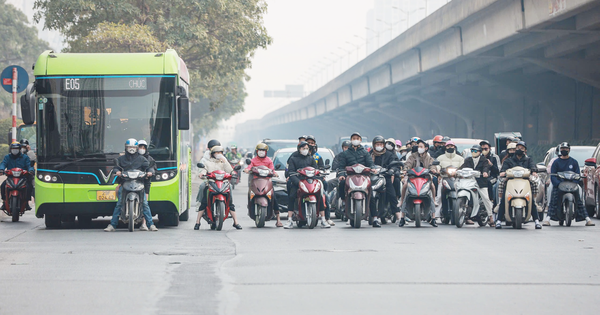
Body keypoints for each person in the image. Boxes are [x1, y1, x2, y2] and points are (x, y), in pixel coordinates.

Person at [104, 139, 157, 232]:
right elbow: (116, 168)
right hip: (125, 184)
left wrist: (150, 172)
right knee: (119, 203)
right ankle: (112, 225)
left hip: (139, 184)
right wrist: (117, 172)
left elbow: (149, 167)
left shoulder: (142, 159)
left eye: (133, 147)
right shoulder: (121, 159)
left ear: (136, 148)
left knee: (145, 204)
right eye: (129, 147)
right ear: (126, 147)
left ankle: (151, 224)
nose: (131, 149)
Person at [495, 141, 541, 229]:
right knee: (503, 193)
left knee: (533, 188)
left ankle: (536, 220)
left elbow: (533, 167)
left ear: (525, 150)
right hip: (511, 181)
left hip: (525, 181)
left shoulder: (528, 160)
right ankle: (499, 220)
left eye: (522, 148)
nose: (519, 149)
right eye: (518, 148)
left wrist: (534, 171)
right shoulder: (509, 160)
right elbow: (503, 169)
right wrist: (503, 173)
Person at [547, 142, 595, 226]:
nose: (564, 150)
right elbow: (553, 175)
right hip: (559, 184)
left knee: (579, 199)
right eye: (562, 149)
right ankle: (548, 219)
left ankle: (587, 219)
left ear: (569, 150)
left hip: (572, 184)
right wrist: (557, 184)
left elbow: (577, 175)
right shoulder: (556, 162)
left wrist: (575, 183)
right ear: (560, 150)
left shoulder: (574, 162)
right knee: (553, 198)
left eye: (566, 149)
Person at [195, 146, 242, 230]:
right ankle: (197, 222)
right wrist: (202, 173)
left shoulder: (223, 161)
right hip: (211, 183)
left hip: (223, 183)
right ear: (212, 154)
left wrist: (233, 172)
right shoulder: (207, 162)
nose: (218, 154)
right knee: (204, 202)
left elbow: (230, 170)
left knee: (230, 202)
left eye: (220, 153)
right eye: (216, 153)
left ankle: (236, 222)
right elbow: (203, 170)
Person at [284, 141, 330, 229]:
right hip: (298, 181)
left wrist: (320, 177)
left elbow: (316, 171)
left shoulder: (311, 159)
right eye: (303, 148)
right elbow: (291, 172)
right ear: (299, 149)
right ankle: (289, 220)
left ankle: (323, 219)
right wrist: (298, 182)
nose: (305, 150)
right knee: (292, 196)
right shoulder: (293, 159)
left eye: (306, 148)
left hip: (311, 182)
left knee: (320, 196)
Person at [335, 132, 376, 226]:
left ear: (360, 140)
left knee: (371, 194)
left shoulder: (365, 153)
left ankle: (374, 218)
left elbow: (370, 164)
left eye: (357, 138)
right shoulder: (345, 153)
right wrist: (341, 175)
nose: (356, 140)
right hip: (350, 176)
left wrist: (372, 168)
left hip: (364, 177)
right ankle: (344, 202)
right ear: (351, 140)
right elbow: (341, 167)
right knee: (341, 184)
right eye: (354, 138)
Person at [399, 138, 438, 227]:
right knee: (405, 186)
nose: (419, 148)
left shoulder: (429, 158)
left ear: (426, 148)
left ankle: (433, 217)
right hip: (412, 178)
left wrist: (433, 170)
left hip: (425, 178)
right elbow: (408, 164)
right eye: (418, 146)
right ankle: (402, 215)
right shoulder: (412, 156)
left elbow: (433, 166)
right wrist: (405, 170)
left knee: (431, 185)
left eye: (421, 146)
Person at [244, 143, 283, 227]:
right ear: (257, 151)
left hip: (267, 181)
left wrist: (274, 173)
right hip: (255, 181)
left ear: (266, 152)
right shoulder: (254, 160)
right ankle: (250, 208)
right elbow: (249, 166)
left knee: (274, 197)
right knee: (250, 194)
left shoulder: (269, 160)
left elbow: (272, 169)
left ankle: (278, 219)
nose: (261, 152)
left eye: (263, 150)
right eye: (260, 150)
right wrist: (247, 169)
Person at [459, 145, 494, 226]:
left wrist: (485, 172)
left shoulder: (484, 160)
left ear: (480, 152)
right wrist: (456, 171)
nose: (473, 153)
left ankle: (490, 216)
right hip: (469, 181)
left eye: (475, 151)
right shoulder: (468, 160)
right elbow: (462, 167)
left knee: (485, 198)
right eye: (472, 151)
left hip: (480, 182)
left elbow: (486, 167)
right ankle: (467, 216)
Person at [370, 136, 401, 226]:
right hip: (373, 177)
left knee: (392, 194)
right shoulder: (370, 154)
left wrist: (391, 170)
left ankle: (398, 215)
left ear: (383, 145)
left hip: (385, 176)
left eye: (380, 144)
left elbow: (395, 164)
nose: (379, 146)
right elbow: (365, 163)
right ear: (374, 145)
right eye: (377, 144)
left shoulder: (389, 154)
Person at [0, 142, 34, 210]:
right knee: (3, 185)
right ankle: (4, 202)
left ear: (19, 149)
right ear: (11, 149)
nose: (15, 150)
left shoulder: (25, 157)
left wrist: (31, 170)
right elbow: (3, 163)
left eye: (16, 149)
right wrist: (1, 169)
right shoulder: (7, 157)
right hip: (10, 177)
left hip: (22, 178)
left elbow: (29, 165)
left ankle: (26, 203)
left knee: (28, 186)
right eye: (13, 148)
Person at [435, 140, 464, 218]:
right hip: (444, 178)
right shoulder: (440, 158)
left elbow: (463, 167)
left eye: (451, 146)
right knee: (439, 196)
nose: (450, 147)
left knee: (463, 194)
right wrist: (438, 170)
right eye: (448, 146)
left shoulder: (460, 158)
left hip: (457, 179)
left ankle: (464, 213)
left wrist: (459, 171)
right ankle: (435, 214)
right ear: (445, 147)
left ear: (454, 147)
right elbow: (437, 165)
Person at [136, 140, 157, 231]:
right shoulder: (133, 158)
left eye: (143, 148)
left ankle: (144, 223)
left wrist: (150, 173)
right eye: (140, 147)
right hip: (133, 182)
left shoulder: (150, 159)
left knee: (145, 203)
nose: (141, 149)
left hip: (145, 183)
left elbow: (153, 168)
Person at [542, 145, 561, 226]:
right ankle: (549, 204)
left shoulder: (571, 161)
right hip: (556, 180)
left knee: (579, 189)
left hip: (567, 181)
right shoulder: (554, 161)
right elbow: (549, 170)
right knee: (550, 188)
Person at [480, 140, 501, 204]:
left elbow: (498, 171)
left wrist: (491, 165)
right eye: (482, 149)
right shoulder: (479, 157)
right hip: (481, 176)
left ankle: (491, 200)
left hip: (493, 177)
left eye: (486, 149)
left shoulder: (495, 157)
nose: (484, 150)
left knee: (488, 182)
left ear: (489, 148)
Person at [19, 139, 35, 204]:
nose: (23, 148)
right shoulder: (16, 155)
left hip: (27, 174)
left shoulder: (28, 154)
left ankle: (27, 201)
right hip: (16, 174)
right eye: (21, 147)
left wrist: (29, 150)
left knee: (31, 186)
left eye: (24, 147)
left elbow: (33, 160)